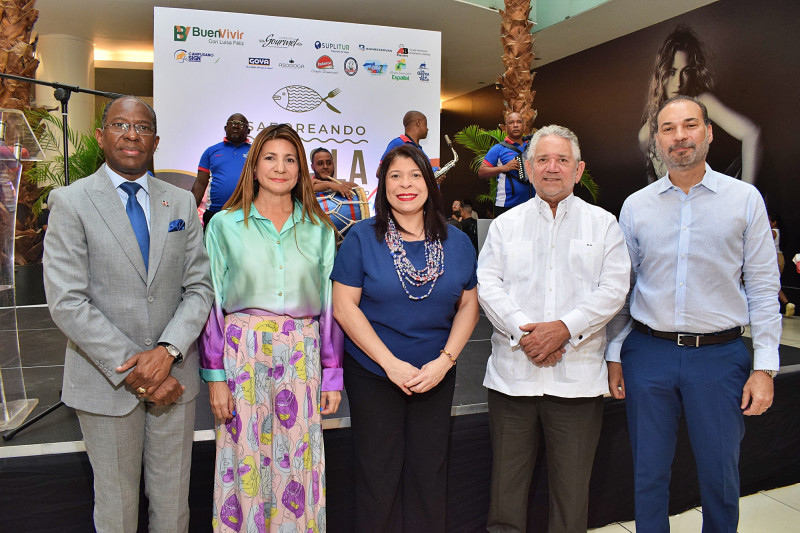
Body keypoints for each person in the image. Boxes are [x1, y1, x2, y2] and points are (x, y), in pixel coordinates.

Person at [607, 96, 781, 533]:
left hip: (720, 358)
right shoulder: (636, 206)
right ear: (658, 140)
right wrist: (613, 353)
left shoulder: (744, 200)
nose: (679, 136)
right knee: (648, 473)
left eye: (689, 126)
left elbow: (763, 287)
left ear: (708, 133)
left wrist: (765, 366)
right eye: (668, 128)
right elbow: (622, 289)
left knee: (720, 475)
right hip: (648, 354)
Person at [43, 96, 214, 532]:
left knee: (173, 506)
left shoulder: (179, 204)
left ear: (156, 141)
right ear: (101, 136)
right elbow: (67, 301)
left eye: (142, 127)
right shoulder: (70, 202)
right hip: (105, 383)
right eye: (121, 125)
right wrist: (141, 368)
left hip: (176, 379)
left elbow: (199, 287)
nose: (132, 134)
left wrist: (167, 351)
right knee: (116, 509)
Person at [478, 125, 631, 533]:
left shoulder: (604, 225)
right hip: (513, 380)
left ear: (578, 170)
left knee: (570, 499)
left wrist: (564, 329)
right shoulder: (504, 226)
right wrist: (526, 334)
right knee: (505, 497)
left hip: (577, 383)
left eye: (562, 160)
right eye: (542, 159)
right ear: (527, 169)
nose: (552, 168)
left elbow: (614, 288)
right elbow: (488, 285)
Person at [200, 124, 343, 532]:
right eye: (270, 158)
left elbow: (330, 308)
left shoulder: (319, 229)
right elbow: (210, 301)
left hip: (303, 352)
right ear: (254, 165)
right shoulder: (223, 225)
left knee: (300, 461)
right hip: (241, 353)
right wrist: (215, 376)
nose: (280, 167)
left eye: (290, 159)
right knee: (243, 459)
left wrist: (332, 376)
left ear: (301, 168)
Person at [331, 144, 479, 532]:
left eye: (415, 175)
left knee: (429, 474)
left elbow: (468, 306)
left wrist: (444, 361)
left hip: (436, 373)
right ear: (383, 186)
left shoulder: (457, 241)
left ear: (429, 183)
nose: (405, 184)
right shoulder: (362, 238)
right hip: (374, 375)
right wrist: (390, 364)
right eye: (395, 176)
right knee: (377, 476)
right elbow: (345, 307)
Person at [639, 25, 762, 184]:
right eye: (672, 72)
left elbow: (753, 133)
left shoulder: (701, 101)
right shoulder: (645, 134)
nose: (678, 82)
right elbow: (653, 183)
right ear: (661, 74)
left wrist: (746, 197)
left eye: (686, 71)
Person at [193, 113, 251, 227]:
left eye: (240, 124)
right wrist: (189, 210)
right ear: (225, 128)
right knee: (211, 245)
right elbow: (200, 183)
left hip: (245, 213)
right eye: (232, 123)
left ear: (248, 131)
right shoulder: (211, 151)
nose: (235, 126)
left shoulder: (256, 152)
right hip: (214, 213)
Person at [478, 112, 534, 216]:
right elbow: (481, 172)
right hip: (507, 205)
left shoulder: (533, 146)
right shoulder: (498, 149)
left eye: (519, 122)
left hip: (532, 205)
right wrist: (504, 168)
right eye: (511, 122)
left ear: (524, 126)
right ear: (506, 128)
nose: (516, 125)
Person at [380, 110, 440, 176]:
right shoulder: (397, 143)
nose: (427, 129)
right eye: (425, 124)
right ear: (418, 123)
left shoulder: (419, 149)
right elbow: (380, 172)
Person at [769, 212, 794, 317]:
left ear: (774, 222)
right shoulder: (780, 232)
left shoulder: (772, 232)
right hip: (780, 258)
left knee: (770, 283)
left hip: (772, 258)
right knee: (774, 283)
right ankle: (787, 304)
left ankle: (781, 305)